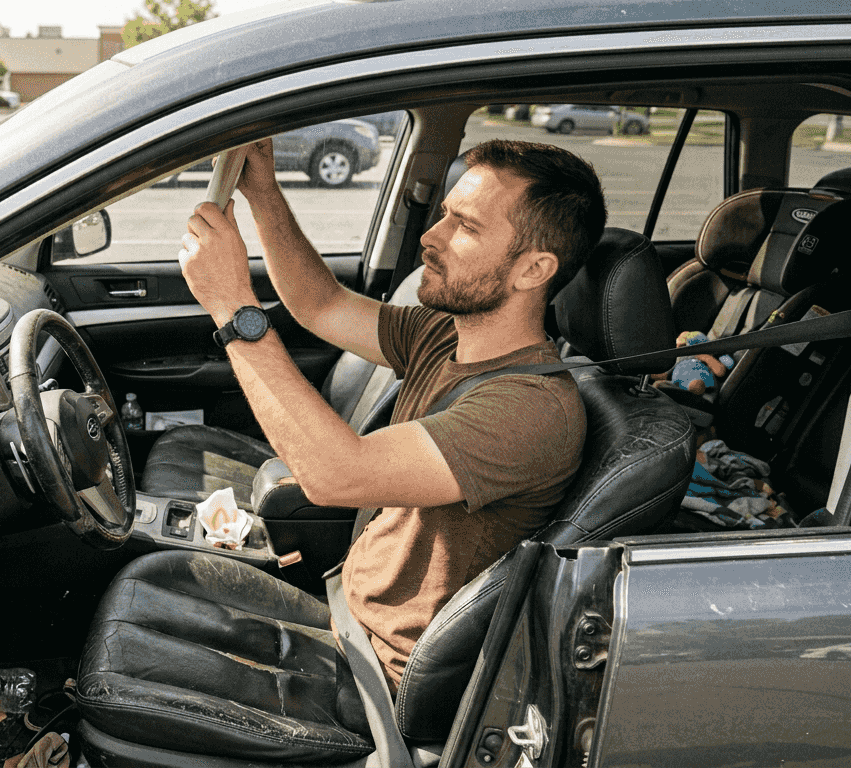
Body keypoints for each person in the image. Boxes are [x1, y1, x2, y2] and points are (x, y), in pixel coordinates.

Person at [177, 137, 604, 692]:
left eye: (466, 227)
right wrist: (265, 193)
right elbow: (320, 303)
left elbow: (337, 476)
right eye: (444, 213)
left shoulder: (530, 408)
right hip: (345, 613)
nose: (431, 236)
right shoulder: (443, 333)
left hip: (374, 678)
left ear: (533, 270)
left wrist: (233, 306)